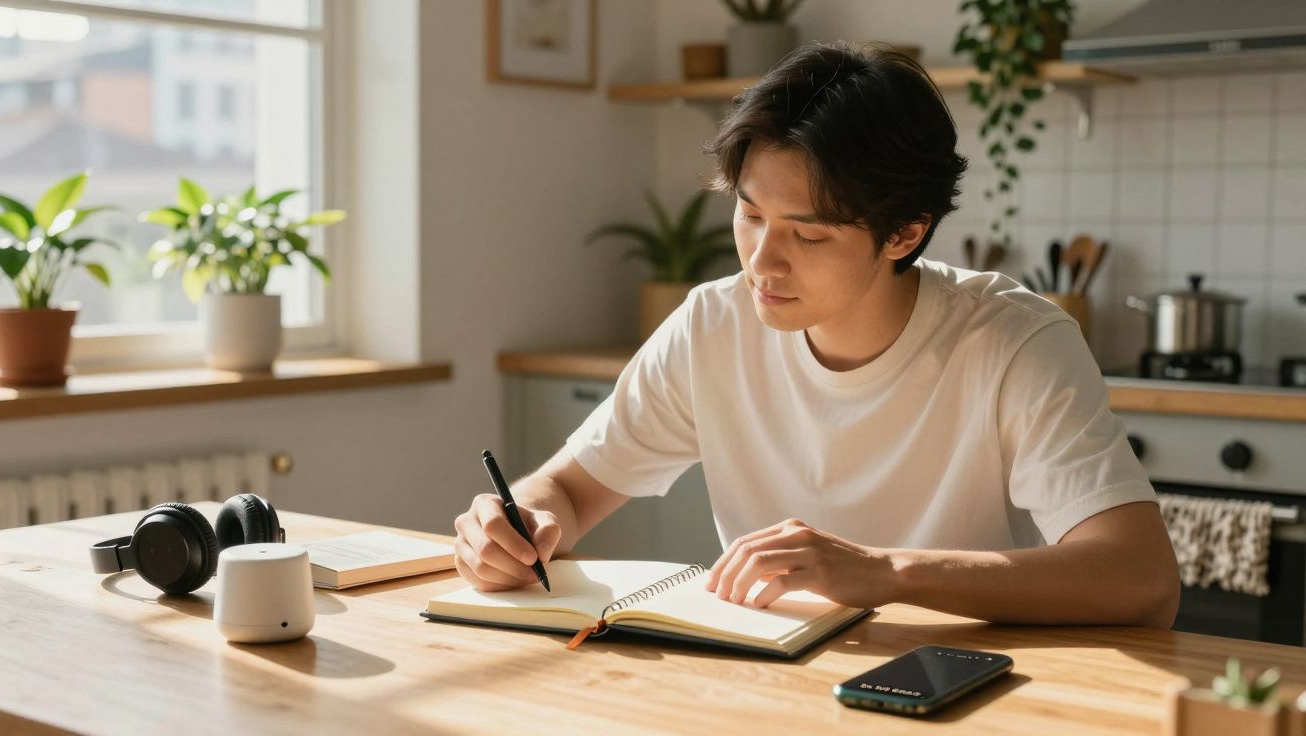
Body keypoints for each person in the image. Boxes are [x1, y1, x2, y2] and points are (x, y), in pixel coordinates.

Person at [453, 41, 1180, 627]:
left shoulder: (1014, 341)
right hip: (772, 680)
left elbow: (1140, 577)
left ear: (904, 232)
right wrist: (518, 524)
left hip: (966, 687)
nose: (761, 261)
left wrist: (883, 572)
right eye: (750, 214)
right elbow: (572, 491)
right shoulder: (714, 324)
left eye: (809, 233)